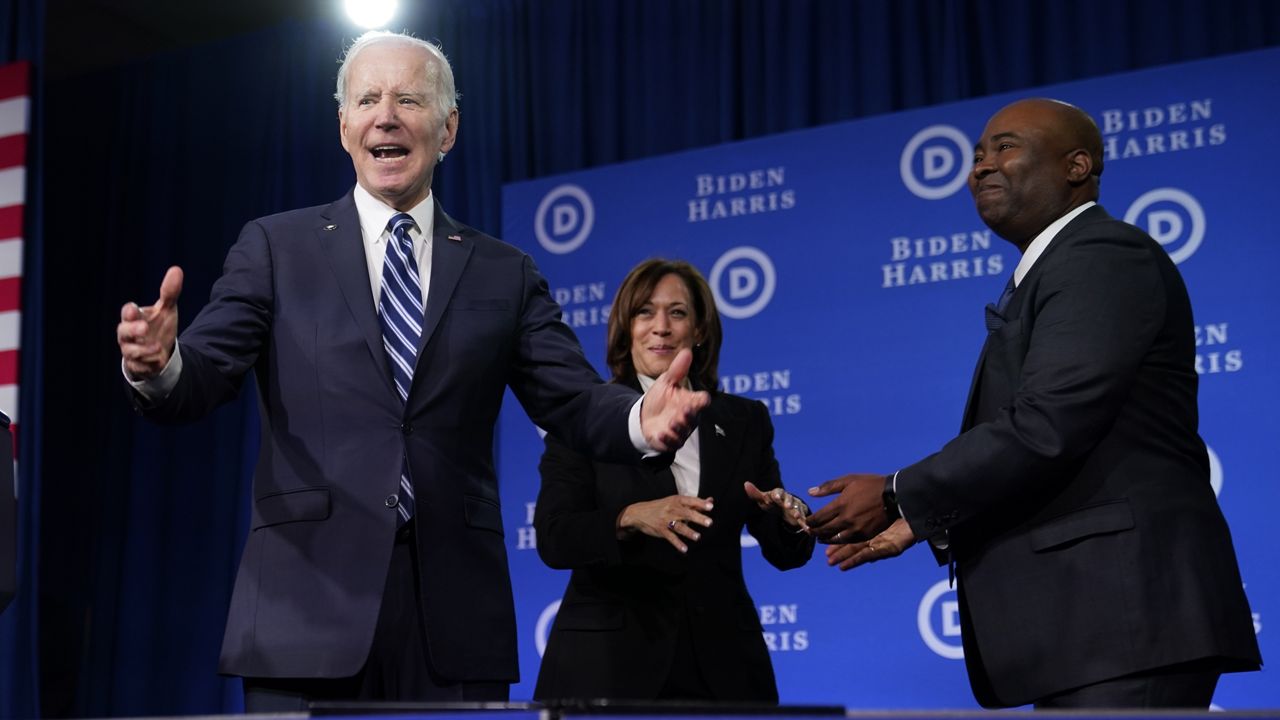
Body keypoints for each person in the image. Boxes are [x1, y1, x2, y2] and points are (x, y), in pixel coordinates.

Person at [114, 31, 708, 710]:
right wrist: (160, 366)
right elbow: (204, 375)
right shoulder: (277, 247)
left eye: (409, 100)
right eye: (367, 99)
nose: (386, 115)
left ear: (448, 128)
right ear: (344, 128)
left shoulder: (503, 272)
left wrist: (639, 418)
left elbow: (572, 401)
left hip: (452, 617)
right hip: (304, 609)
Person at [805, 98, 1261, 709]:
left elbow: (1048, 425)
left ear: (1078, 166)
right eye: (975, 156)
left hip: (1125, 617)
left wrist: (896, 490)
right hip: (1093, 628)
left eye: (1006, 147)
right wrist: (917, 519)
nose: (982, 167)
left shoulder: (1102, 255)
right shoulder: (1051, 270)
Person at [532, 259, 813, 703]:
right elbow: (553, 536)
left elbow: (784, 550)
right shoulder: (586, 418)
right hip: (607, 670)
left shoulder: (745, 420)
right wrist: (628, 517)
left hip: (723, 669)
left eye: (677, 312)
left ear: (699, 331)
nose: (660, 327)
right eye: (644, 312)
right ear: (626, 329)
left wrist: (789, 514)